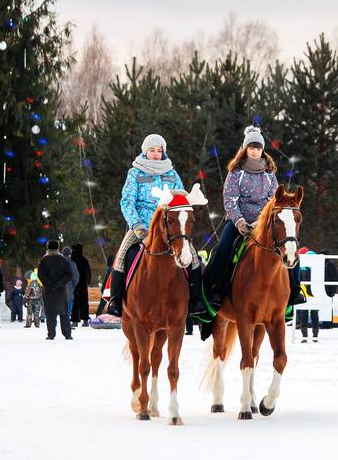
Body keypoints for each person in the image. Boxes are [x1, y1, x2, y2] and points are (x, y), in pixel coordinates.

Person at [203, 126, 304, 316]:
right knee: (223, 248)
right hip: (238, 223)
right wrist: (240, 222)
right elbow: (230, 199)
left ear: (262, 150)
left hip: (264, 224)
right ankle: (215, 289)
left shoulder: (269, 174)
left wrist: (263, 223)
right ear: (245, 148)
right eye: (251, 147)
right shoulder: (235, 172)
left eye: (258, 148)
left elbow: (274, 201)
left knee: (291, 247)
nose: (255, 151)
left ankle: (294, 290)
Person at [107, 133, 203, 318]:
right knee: (122, 255)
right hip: (142, 225)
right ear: (145, 152)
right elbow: (127, 201)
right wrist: (136, 224)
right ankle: (116, 300)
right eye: (152, 150)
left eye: (159, 150)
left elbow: (181, 199)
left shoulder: (171, 173)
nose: (156, 154)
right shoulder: (135, 173)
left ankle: (196, 299)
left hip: (170, 226)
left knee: (192, 256)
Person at [38, 240, 74, 340]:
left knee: (50, 313)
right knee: (64, 313)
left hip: (48, 291)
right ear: (58, 247)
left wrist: (50, 284)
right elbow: (69, 275)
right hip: (61, 291)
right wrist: (59, 284)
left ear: (47, 248)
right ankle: (67, 334)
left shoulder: (44, 260)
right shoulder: (63, 260)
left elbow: (41, 275)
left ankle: (51, 334)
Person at [296, 247, 320, 342]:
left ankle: (305, 337)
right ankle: (315, 337)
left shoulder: (301, 268)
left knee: (304, 317)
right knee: (315, 316)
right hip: (315, 295)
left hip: (304, 295)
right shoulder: (318, 269)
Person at [70, 243, 93, 327]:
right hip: (83, 284)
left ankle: (75, 321)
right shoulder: (84, 260)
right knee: (84, 302)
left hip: (74, 285)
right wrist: (88, 282)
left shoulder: (73, 259)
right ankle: (85, 320)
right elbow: (88, 272)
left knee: (75, 303)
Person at [63, 245, 80, 325]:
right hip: (70, 287)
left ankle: (64, 320)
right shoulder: (72, 263)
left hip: (61, 287)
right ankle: (70, 320)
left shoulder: (59, 263)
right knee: (70, 302)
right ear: (70, 254)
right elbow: (75, 276)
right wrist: (74, 285)